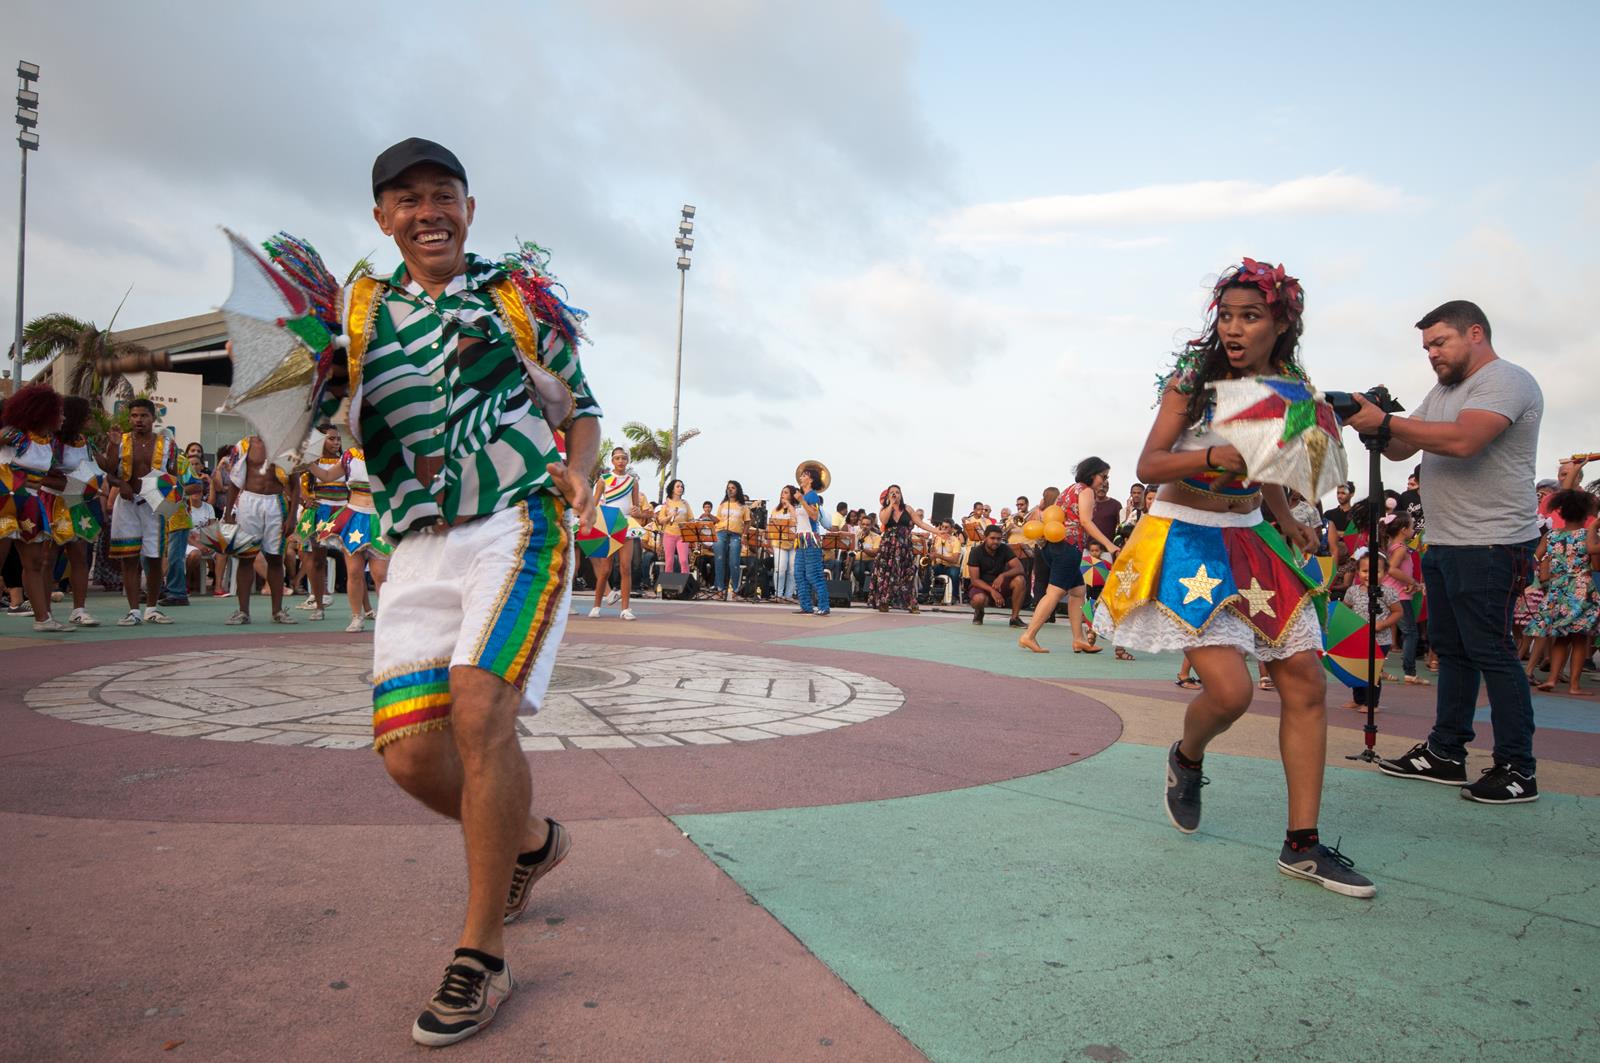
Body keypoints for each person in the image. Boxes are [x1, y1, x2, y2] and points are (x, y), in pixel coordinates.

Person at [319, 138, 601, 1046]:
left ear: (470, 209)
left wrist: (580, 470)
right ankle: (530, 841)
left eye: (443, 194)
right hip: (416, 542)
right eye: (406, 199)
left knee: (480, 709)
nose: (427, 211)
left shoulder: (517, 298)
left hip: (517, 520)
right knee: (409, 755)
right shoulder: (355, 314)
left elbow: (581, 407)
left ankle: (481, 956)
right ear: (382, 219)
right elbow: (326, 415)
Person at [1094, 258, 1374, 898]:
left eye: (1250, 316)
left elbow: (1269, 466)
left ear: (1281, 324)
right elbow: (1148, 465)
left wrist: (1288, 519)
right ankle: (1186, 756)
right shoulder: (1193, 379)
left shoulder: (1290, 388)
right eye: (1226, 315)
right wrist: (1211, 454)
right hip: (1184, 538)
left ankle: (1302, 846)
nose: (1234, 328)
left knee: (1305, 680)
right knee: (1231, 694)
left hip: (1251, 538)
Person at [1346, 301, 1545, 804]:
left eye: (1440, 343)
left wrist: (1387, 420)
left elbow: (1463, 441)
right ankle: (1446, 751)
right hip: (1447, 541)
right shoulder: (1442, 392)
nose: (1432, 354)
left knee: (1492, 652)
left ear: (1475, 333)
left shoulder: (1505, 380)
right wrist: (1367, 420)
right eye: (1427, 347)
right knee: (1453, 652)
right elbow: (1399, 448)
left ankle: (1517, 767)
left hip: (1492, 541)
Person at [0, 384, 76, 631]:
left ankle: (43, 619)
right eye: (59, 412)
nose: (63, 418)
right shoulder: (15, 435)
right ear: (43, 411)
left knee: (34, 563)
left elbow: (53, 478)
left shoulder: (49, 442)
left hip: (30, 504)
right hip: (5, 501)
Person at [98, 397, 177, 627]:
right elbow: (109, 471)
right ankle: (133, 610)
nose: (138, 420)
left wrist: (168, 496)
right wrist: (121, 484)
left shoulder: (167, 444)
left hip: (154, 505)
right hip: (127, 503)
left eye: (143, 415)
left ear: (153, 418)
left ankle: (152, 608)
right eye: (134, 416)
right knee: (129, 557)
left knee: (154, 558)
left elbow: (174, 476)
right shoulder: (120, 441)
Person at [305, 440, 393, 632]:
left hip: (379, 518)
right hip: (354, 517)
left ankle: (387, 619)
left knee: (380, 574)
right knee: (354, 572)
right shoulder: (350, 455)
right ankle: (356, 617)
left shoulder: (387, 449)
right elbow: (327, 476)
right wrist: (306, 462)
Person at [1523, 490, 1599, 695]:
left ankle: (1552, 679)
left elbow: (1536, 557)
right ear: (1586, 514)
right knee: (1579, 638)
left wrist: (1546, 570)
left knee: (1561, 637)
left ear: (1562, 513)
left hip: (1557, 589)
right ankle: (1574, 685)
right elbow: (1597, 565)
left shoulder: (1551, 536)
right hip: (1581, 588)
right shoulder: (1587, 535)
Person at [223, 436, 296, 626]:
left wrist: (292, 516)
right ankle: (243, 612)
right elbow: (234, 482)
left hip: (276, 503)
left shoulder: (288, 445)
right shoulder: (244, 446)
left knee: (275, 558)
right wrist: (228, 512)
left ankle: (277, 611)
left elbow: (295, 484)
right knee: (246, 558)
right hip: (249, 502)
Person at [1061, 457, 1123, 653]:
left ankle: (1078, 639)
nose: (1105, 481)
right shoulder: (1086, 491)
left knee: (1078, 592)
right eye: (1103, 476)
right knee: (1055, 593)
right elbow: (1086, 522)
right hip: (1071, 546)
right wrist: (1109, 545)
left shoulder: (1070, 489)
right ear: (1092, 474)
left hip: (1064, 545)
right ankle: (1029, 635)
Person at [50, 396, 100, 626]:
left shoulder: (86, 442)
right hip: (54, 501)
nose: (90, 418)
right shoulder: (53, 442)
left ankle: (79, 610)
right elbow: (44, 474)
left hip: (77, 502)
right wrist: (72, 484)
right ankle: (44, 611)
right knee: (49, 557)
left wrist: (112, 445)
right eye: (86, 414)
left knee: (80, 556)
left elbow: (103, 468)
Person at [293, 428, 349, 620]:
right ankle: (319, 604)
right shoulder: (312, 463)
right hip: (321, 514)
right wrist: (305, 500)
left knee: (354, 559)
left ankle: (363, 608)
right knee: (316, 560)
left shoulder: (346, 461)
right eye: (331, 439)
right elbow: (295, 484)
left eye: (338, 439)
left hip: (343, 513)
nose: (336, 442)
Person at [1339, 550, 1404, 712]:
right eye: (1365, 571)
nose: (1369, 575)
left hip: (1379, 640)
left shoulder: (1387, 592)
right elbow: (1345, 610)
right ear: (1358, 571)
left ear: (1385, 573)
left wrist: (1383, 624)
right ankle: (1358, 699)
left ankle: (1371, 703)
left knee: (1372, 671)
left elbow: (1398, 612)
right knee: (1357, 668)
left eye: (1376, 572)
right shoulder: (1353, 591)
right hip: (1357, 638)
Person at [588, 447, 642, 621]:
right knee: (605, 569)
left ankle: (625, 609)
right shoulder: (604, 479)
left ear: (627, 461)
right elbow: (594, 503)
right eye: (617, 458)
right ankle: (596, 606)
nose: (620, 461)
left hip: (625, 523)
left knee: (625, 567)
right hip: (608, 523)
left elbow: (636, 507)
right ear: (612, 461)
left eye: (624, 458)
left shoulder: (632, 481)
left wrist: (637, 510)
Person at [869, 484, 938, 613]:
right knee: (886, 573)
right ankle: (884, 601)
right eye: (892, 492)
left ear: (901, 495)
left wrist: (937, 531)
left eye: (897, 492)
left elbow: (920, 523)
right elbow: (884, 521)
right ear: (888, 495)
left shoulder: (908, 509)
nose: (895, 494)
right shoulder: (884, 509)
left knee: (906, 573)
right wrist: (891, 504)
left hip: (904, 546)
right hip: (888, 546)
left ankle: (910, 603)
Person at [1378, 505, 1425, 685]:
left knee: (1383, 631)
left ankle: (1379, 669)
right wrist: (1412, 582)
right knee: (1410, 632)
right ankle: (1410, 672)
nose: (1413, 530)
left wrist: (1409, 584)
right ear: (1404, 530)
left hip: (1390, 592)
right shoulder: (1400, 549)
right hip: (1397, 596)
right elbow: (1391, 569)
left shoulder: (1392, 546)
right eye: (1412, 526)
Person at [967, 524, 1024, 627]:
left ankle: (1015, 618)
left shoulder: (1004, 548)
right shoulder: (975, 552)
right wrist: (992, 591)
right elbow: (975, 580)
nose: (996, 542)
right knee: (978, 599)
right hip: (982, 586)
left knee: (1020, 580)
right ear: (985, 538)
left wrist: (1002, 575)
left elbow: (1019, 568)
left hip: (1000, 584)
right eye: (992, 538)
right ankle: (979, 611)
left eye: (999, 539)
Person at [794, 464, 832, 616]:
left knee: (813, 574)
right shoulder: (803, 497)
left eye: (804, 475)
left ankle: (824, 606)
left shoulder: (812, 496)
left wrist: (802, 500)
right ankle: (806, 606)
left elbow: (815, 516)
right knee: (799, 574)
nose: (801, 477)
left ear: (810, 480)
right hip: (801, 538)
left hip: (810, 539)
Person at [713, 480, 751, 601]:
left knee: (734, 562)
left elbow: (747, 522)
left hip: (736, 534)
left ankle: (735, 591)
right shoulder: (723, 504)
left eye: (733, 488)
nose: (730, 489)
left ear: (738, 490)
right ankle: (720, 589)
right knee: (719, 560)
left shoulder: (743, 506)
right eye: (728, 488)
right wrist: (709, 516)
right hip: (721, 532)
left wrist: (744, 535)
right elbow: (718, 519)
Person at [769, 485, 799, 601]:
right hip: (779, 543)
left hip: (793, 543)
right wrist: (769, 543)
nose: (783, 494)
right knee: (780, 569)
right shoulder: (776, 510)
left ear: (792, 495)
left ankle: (788, 595)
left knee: (792, 570)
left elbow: (797, 520)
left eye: (786, 492)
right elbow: (771, 527)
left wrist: (789, 506)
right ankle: (778, 594)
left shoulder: (796, 508)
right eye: (782, 492)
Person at [657, 479, 692, 576]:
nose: (680, 488)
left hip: (682, 535)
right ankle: (668, 582)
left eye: (682, 486)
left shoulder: (685, 503)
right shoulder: (667, 504)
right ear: (672, 489)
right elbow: (661, 520)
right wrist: (670, 516)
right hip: (669, 534)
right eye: (678, 486)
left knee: (684, 560)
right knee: (669, 561)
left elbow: (691, 519)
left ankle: (685, 581)